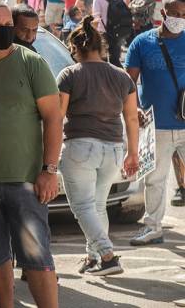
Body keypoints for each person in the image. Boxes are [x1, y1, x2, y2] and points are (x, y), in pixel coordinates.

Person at [0, 0, 61, 308]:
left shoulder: (31, 62)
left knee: (37, 258)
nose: (7, 32)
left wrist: (49, 169)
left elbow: (53, 118)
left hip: (26, 181)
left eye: (9, 25)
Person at [58, 16, 139, 275]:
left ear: (75, 49)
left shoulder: (70, 74)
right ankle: (93, 257)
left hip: (80, 147)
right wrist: (133, 152)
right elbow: (132, 117)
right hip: (113, 149)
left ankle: (107, 256)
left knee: (82, 208)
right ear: (101, 47)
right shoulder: (121, 76)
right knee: (97, 207)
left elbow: (57, 116)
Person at [127, 0, 185, 245]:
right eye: (175, 13)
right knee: (155, 180)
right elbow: (129, 82)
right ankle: (153, 227)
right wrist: (135, 109)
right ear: (163, 13)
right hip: (155, 124)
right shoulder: (142, 43)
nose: (180, 19)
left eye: (184, 15)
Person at [92, 0, 128, 67]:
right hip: (118, 31)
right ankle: (119, 78)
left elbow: (96, 17)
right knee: (115, 59)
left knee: (102, 59)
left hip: (103, 32)